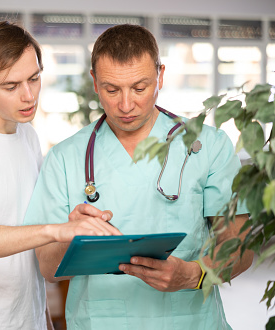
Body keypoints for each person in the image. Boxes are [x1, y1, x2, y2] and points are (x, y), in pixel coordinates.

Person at [23, 24, 254, 329]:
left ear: (160, 76)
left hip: (190, 321)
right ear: (94, 81)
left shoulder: (208, 146)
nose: (126, 105)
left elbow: (241, 248)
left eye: (140, 87)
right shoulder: (65, 158)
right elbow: (50, 270)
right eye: (112, 89)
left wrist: (194, 274)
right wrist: (70, 233)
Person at [0, 20, 119, 330]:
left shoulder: (28, 137)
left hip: (28, 319)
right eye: (11, 86)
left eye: (34, 78)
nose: (29, 95)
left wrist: (43, 317)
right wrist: (54, 230)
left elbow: (26, 240)